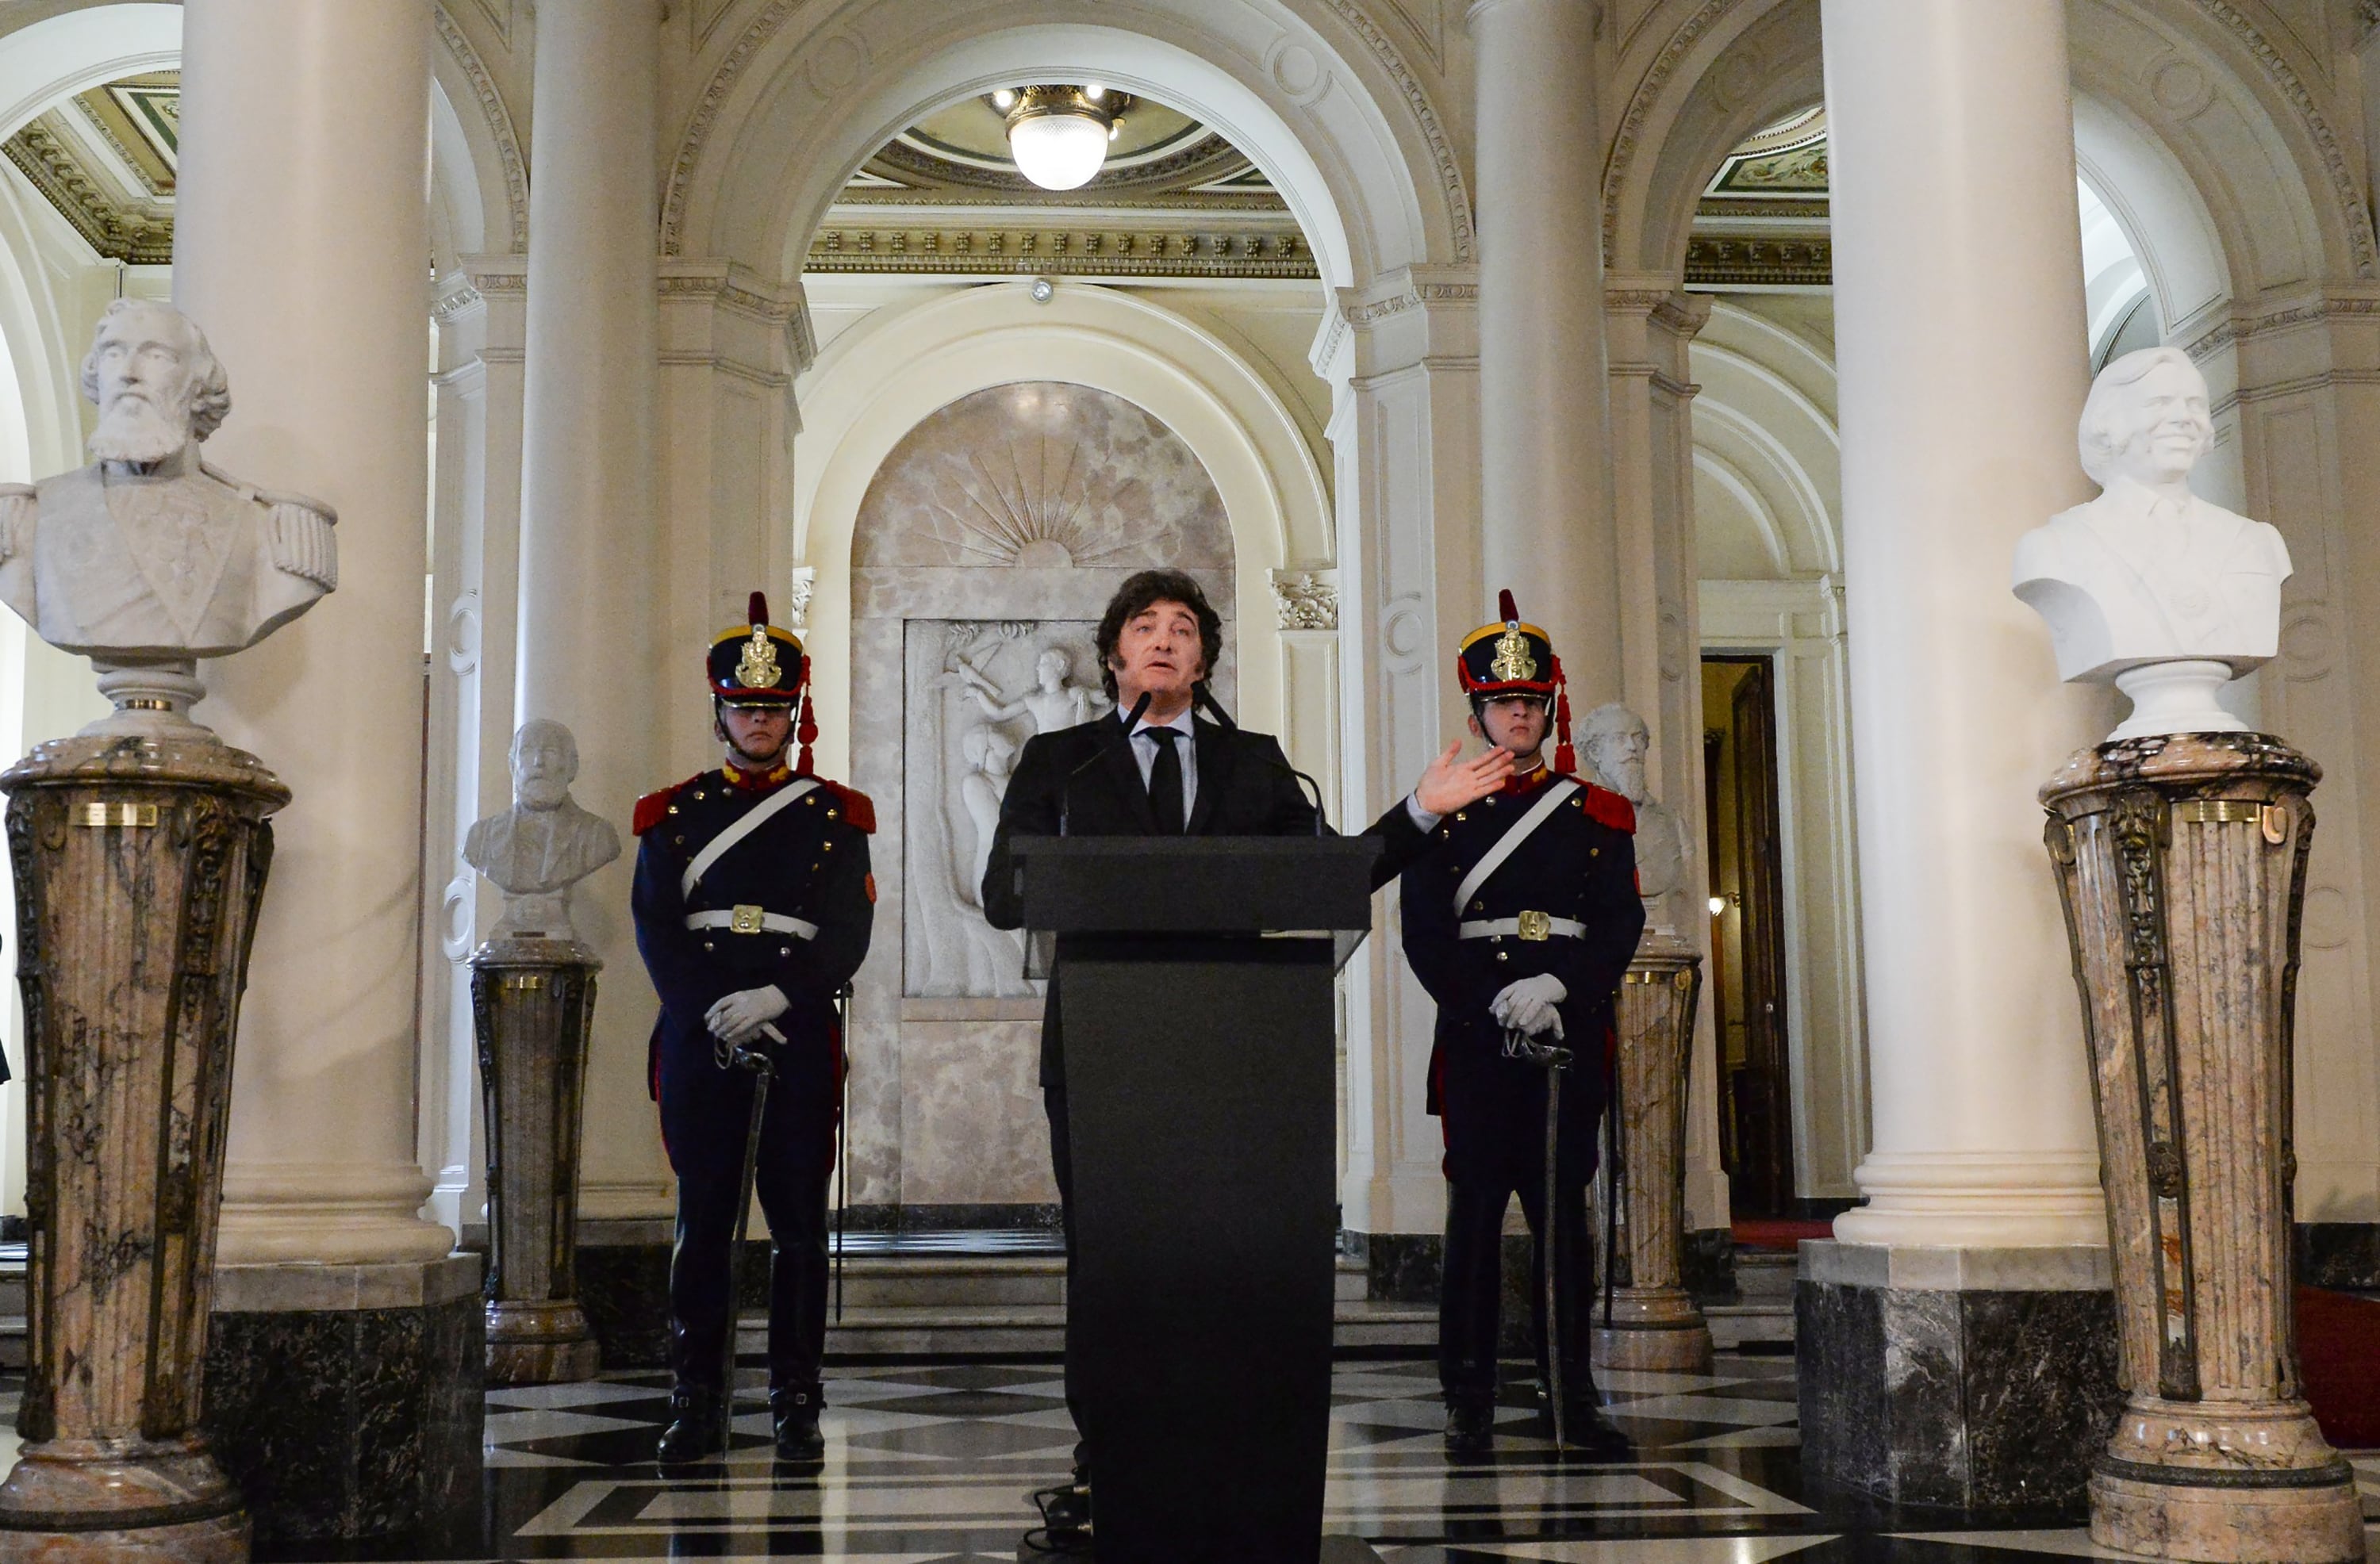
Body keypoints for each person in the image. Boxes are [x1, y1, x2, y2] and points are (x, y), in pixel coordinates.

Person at [979, 567, 1514, 1550]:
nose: (1166, 641)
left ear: (1207, 660)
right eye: (1145, 627)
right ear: (1113, 656)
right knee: (1113, 1268)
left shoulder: (1258, 765)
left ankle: (1236, 1458)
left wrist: (1421, 812)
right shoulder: (1064, 763)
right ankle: (1108, 1459)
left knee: (1233, 1265)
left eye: (1185, 629)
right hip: (1103, 1062)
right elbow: (1006, 896)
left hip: (1241, 1072)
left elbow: (1330, 875)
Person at [630, 592, 876, 1466]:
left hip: (798, 1033)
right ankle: (696, 1398)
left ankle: (795, 1401)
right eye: (744, 707)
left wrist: (778, 997)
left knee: (800, 1228)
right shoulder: (672, 815)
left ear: (794, 714)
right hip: (702, 1037)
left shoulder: (838, 818)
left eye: (774, 710)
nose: (759, 722)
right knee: (703, 1224)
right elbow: (658, 930)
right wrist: (714, 1008)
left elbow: (848, 934)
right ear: (720, 710)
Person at [1400, 590, 1645, 1458]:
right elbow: (1424, 932)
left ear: (1549, 709)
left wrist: (1560, 984)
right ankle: (1466, 1393)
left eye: (1530, 702)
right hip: (1477, 1041)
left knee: (1562, 1225)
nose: (1517, 713)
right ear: (1479, 712)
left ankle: (1570, 1393)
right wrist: (1490, 997)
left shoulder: (1599, 815)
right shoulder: (1443, 811)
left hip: (1564, 1038)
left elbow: (1618, 924)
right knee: (1474, 1219)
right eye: (1502, 702)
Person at [0, 297, 337, 660]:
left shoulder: (271, 528)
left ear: (200, 386)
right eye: (113, 354)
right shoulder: (26, 520)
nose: (129, 372)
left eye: (156, 356)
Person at [464, 719, 621, 941]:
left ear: (572, 766)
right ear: (512, 764)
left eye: (550, 751)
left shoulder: (598, 836)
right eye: (527, 751)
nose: (538, 762)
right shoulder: (479, 838)